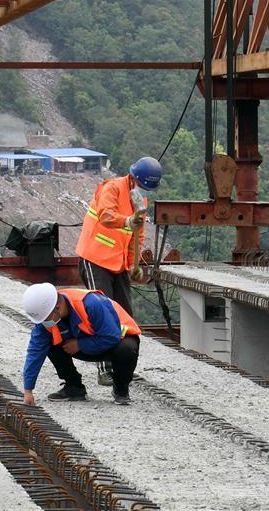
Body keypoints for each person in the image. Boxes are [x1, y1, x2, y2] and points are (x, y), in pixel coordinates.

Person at [75, 156, 161, 385]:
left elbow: (137, 236)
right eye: (142, 186)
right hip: (95, 259)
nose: (144, 191)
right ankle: (105, 370)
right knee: (101, 312)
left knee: (124, 315)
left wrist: (134, 265)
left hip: (118, 263)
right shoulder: (112, 188)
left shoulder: (140, 199)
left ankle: (123, 368)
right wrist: (127, 221)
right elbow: (106, 215)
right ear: (132, 178)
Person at [21, 283, 141, 406]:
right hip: (82, 344)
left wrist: (80, 344)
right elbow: (36, 350)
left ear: (58, 307)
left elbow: (111, 337)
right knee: (50, 343)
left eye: (46, 318)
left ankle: (121, 390)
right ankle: (74, 388)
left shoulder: (91, 304)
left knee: (127, 348)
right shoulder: (46, 316)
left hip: (114, 342)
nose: (44, 323)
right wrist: (28, 390)